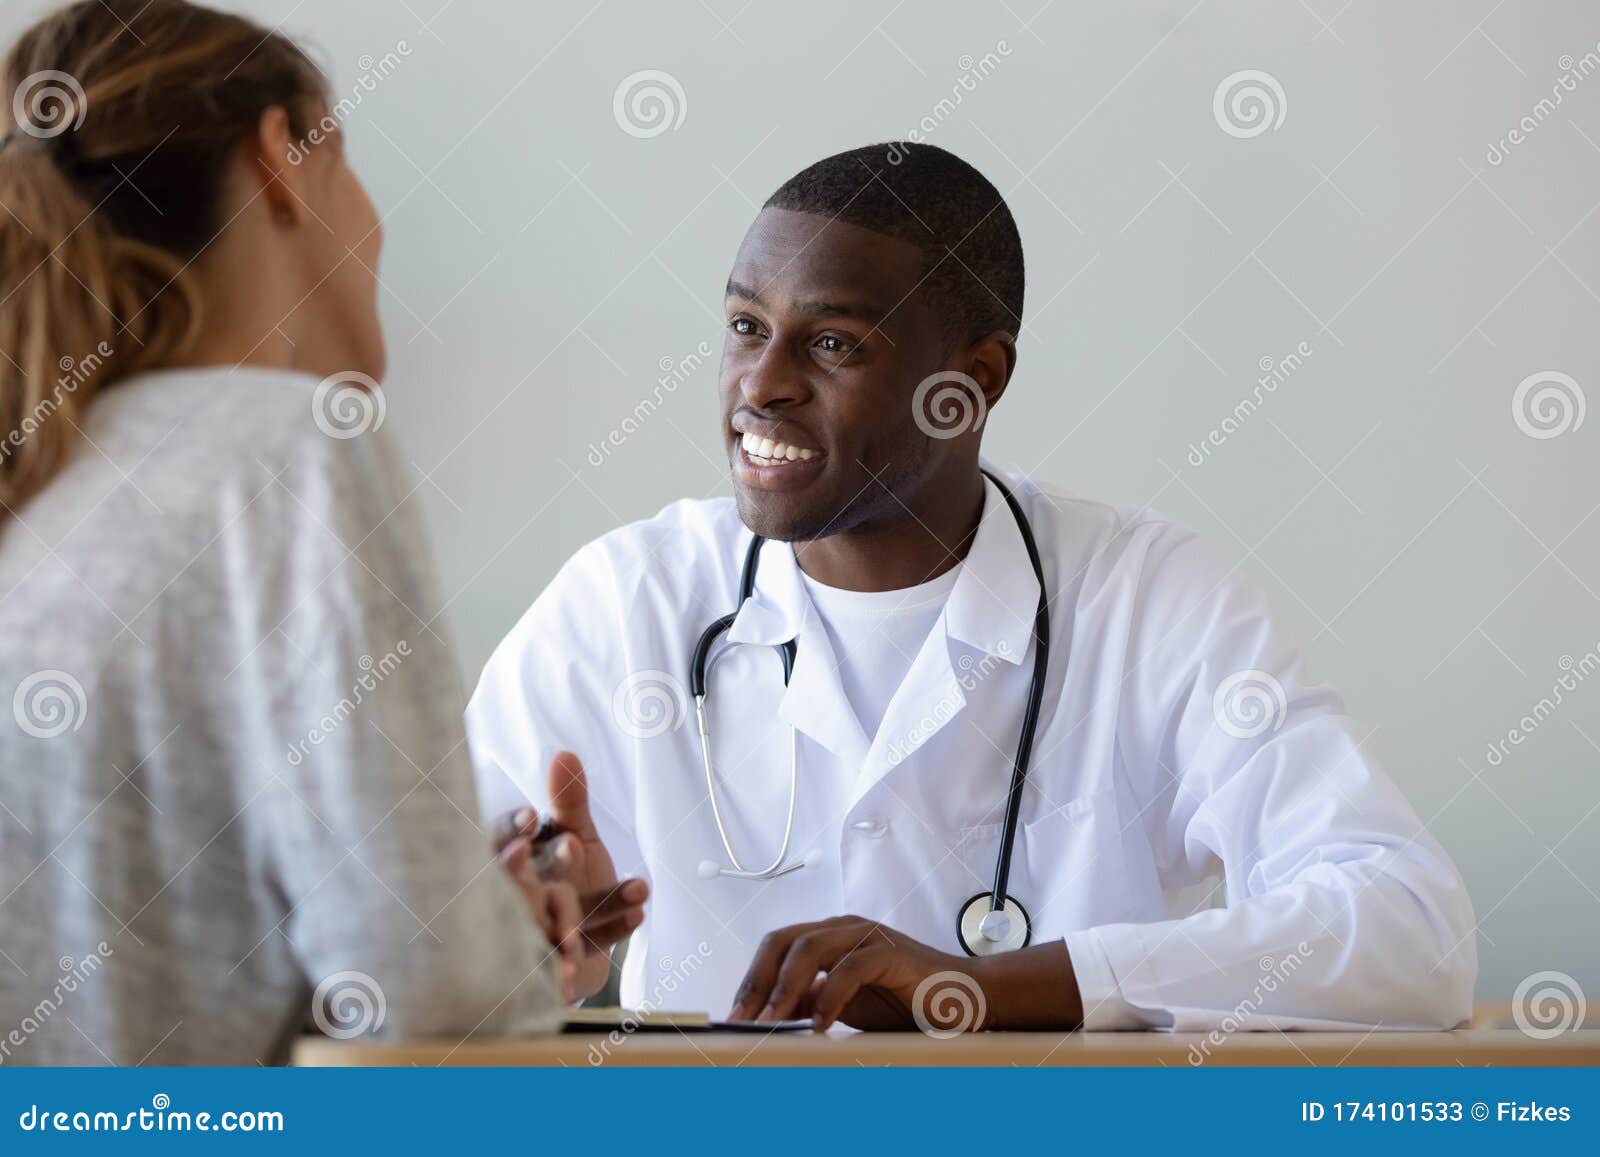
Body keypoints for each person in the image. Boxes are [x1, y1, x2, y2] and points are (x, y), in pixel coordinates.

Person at [467, 143, 1479, 1033]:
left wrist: (986, 988)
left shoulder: (1149, 598)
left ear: (975, 378)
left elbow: (1412, 930)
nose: (759, 382)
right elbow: (413, 931)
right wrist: (530, 929)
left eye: (830, 343)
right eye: (743, 323)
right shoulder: (625, 597)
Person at [0, 0, 586, 1065]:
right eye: (349, 167)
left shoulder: (40, 475)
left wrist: (457, 895)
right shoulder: (287, 446)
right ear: (282, 154)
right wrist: (505, 941)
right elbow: (430, 988)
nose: (374, 226)